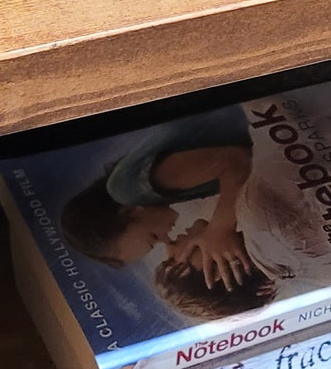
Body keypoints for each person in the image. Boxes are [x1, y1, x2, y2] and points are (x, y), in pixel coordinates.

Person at [58, 103, 254, 281]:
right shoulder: (163, 193)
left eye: (153, 236)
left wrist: (220, 230)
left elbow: (235, 160)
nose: (167, 239)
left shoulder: (126, 188)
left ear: (129, 212)